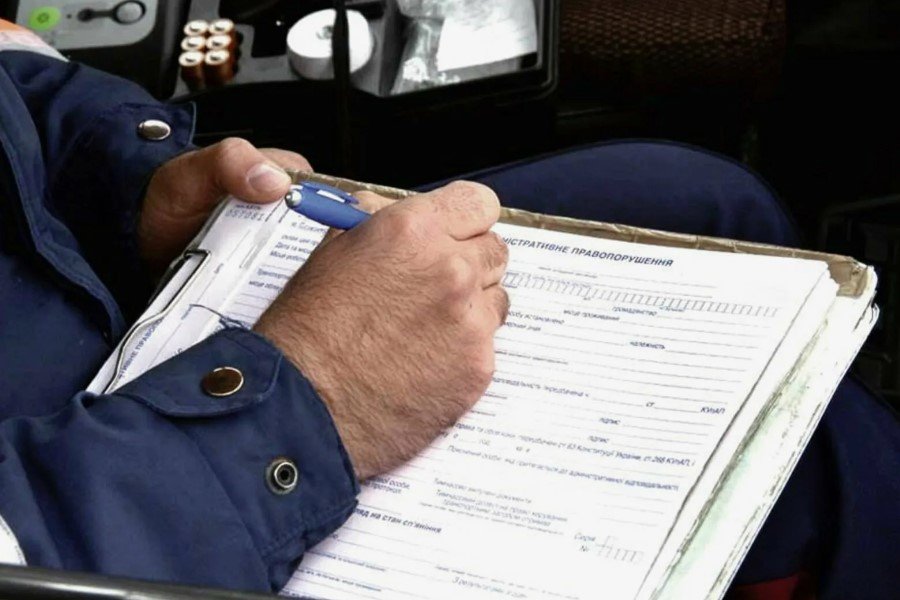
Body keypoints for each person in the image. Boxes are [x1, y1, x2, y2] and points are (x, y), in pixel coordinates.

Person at [0, 19, 897, 600]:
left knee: (703, 204)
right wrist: (312, 402)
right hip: (153, 511)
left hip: (120, 308)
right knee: (819, 477)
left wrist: (121, 179)